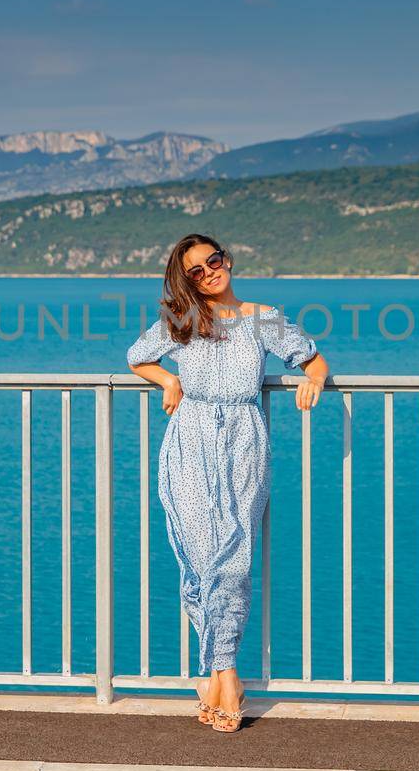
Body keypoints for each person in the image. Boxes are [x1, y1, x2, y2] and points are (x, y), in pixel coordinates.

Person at [126, 233, 330, 733]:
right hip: (189, 442)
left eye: (212, 262)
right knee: (199, 559)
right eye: (194, 271)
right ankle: (226, 674)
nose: (207, 273)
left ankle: (219, 674)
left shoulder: (263, 317)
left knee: (232, 559)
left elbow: (312, 358)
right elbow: (136, 356)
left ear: (227, 261)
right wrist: (169, 380)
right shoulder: (182, 320)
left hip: (243, 443)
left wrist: (314, 380)